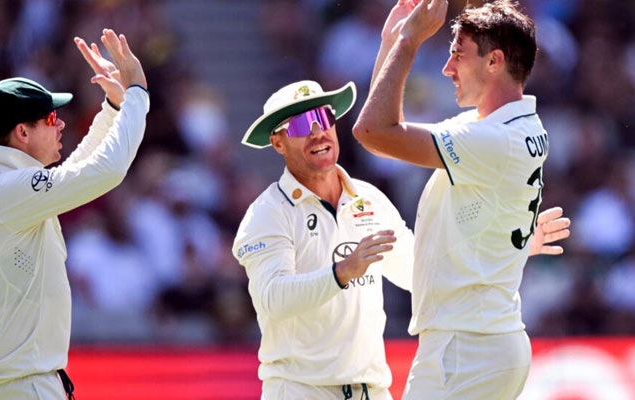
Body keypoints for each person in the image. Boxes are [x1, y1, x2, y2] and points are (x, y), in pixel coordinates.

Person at [233, 78, 569, 398]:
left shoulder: (369, 199)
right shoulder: (268, 212)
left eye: (323, 116)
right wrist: (342, 272)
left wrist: (508, 246)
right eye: (301, 125)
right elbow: (271, 300)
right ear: (277, 142)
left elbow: (422, 272)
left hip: (372, 390)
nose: (318, 132)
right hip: (299, 391)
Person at [353, 0, 564, 398]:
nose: (447, 69)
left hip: (467, 348)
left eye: (457, 55)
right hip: (481, 342)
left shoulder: (491, 138)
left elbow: (372, 133)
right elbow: (383, 130)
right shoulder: (503, 124)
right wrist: (391, 41)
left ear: (494, 61)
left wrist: (410, 43)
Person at [0, 29, 148, 400]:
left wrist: (114, 108)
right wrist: (137, 94)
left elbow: (77, 170)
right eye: (51, 117)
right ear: (22, 132)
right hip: (15, 388)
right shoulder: (5, 190)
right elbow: (105, 171)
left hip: (0, 386)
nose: (60, 125)